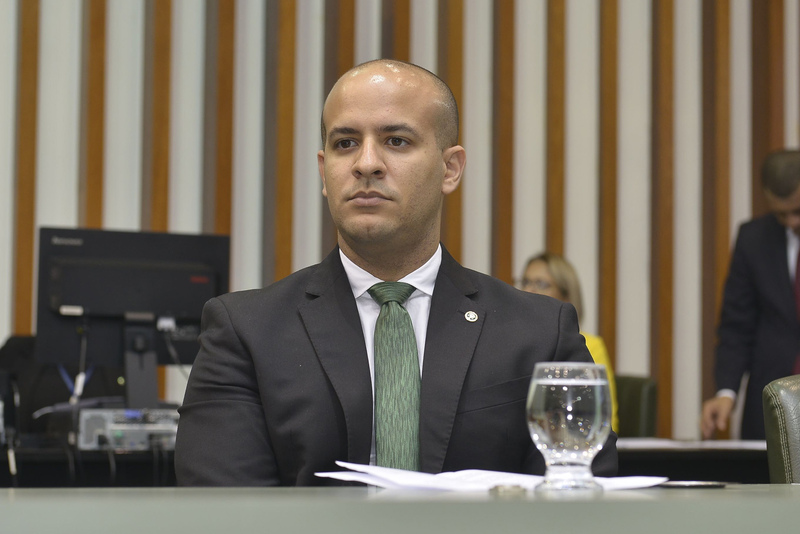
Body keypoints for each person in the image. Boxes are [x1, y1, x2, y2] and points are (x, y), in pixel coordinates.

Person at [174, 59, 618, 486]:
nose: (366, 163)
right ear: (324, 173)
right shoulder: (245, 332)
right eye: (345, 143)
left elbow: (580, 501)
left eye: (396, 141)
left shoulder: (540, 332)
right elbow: (224, 506)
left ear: (450, 169)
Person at [701, 149, 800, 440]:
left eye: (798, 211)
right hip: (771, 403)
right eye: (781, 214)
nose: (791, 222)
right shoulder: (753, 239)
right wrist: (726, 392)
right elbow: (736, 324)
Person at [520, 253, 619, 433]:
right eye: (525, 282)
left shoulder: (589, 344)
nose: (529, 290)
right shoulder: (514, 345)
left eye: (541, 284)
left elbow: (603, 418)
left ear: (567, 296)